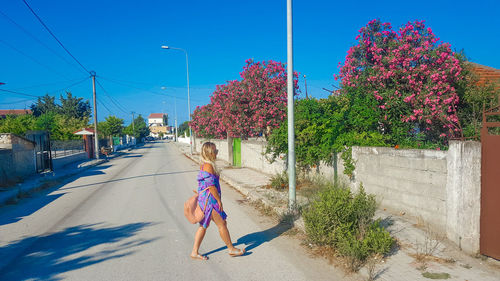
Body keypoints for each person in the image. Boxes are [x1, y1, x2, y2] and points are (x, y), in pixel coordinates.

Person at [191, 142, 245, 260]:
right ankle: (231, 249)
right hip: (210, 200)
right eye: (215, 151)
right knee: (222, 224)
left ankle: (194, 252)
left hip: (206, 199)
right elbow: (211, 186)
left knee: (203, 225)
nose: (216, 153)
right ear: (209, 153)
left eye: (217, 151)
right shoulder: (208, 166)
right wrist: (219, 201)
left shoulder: (205, 164)